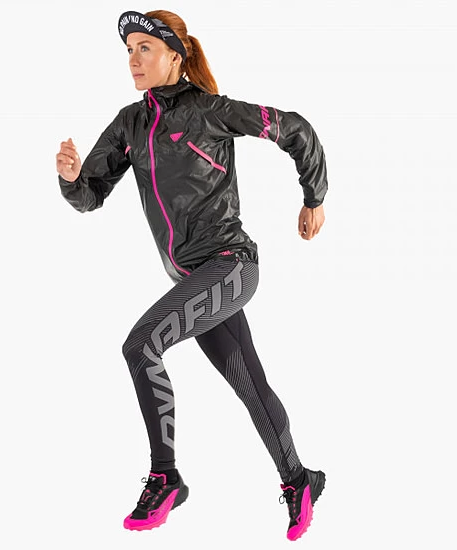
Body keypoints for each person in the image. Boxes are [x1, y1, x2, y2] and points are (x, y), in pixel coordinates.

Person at [54, 10, 329, 541]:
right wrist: (70, 179)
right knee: (251, 385)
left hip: (230, 265)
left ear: (175, 57)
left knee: (141, 345)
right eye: (128, 50)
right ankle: (300, 479)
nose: (133, 60)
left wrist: (313, 197)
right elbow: (90, 196)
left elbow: (295, 128)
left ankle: (166, 478)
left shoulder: (210, 111)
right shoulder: (129, 124)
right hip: (193, 280)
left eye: (145, 49)